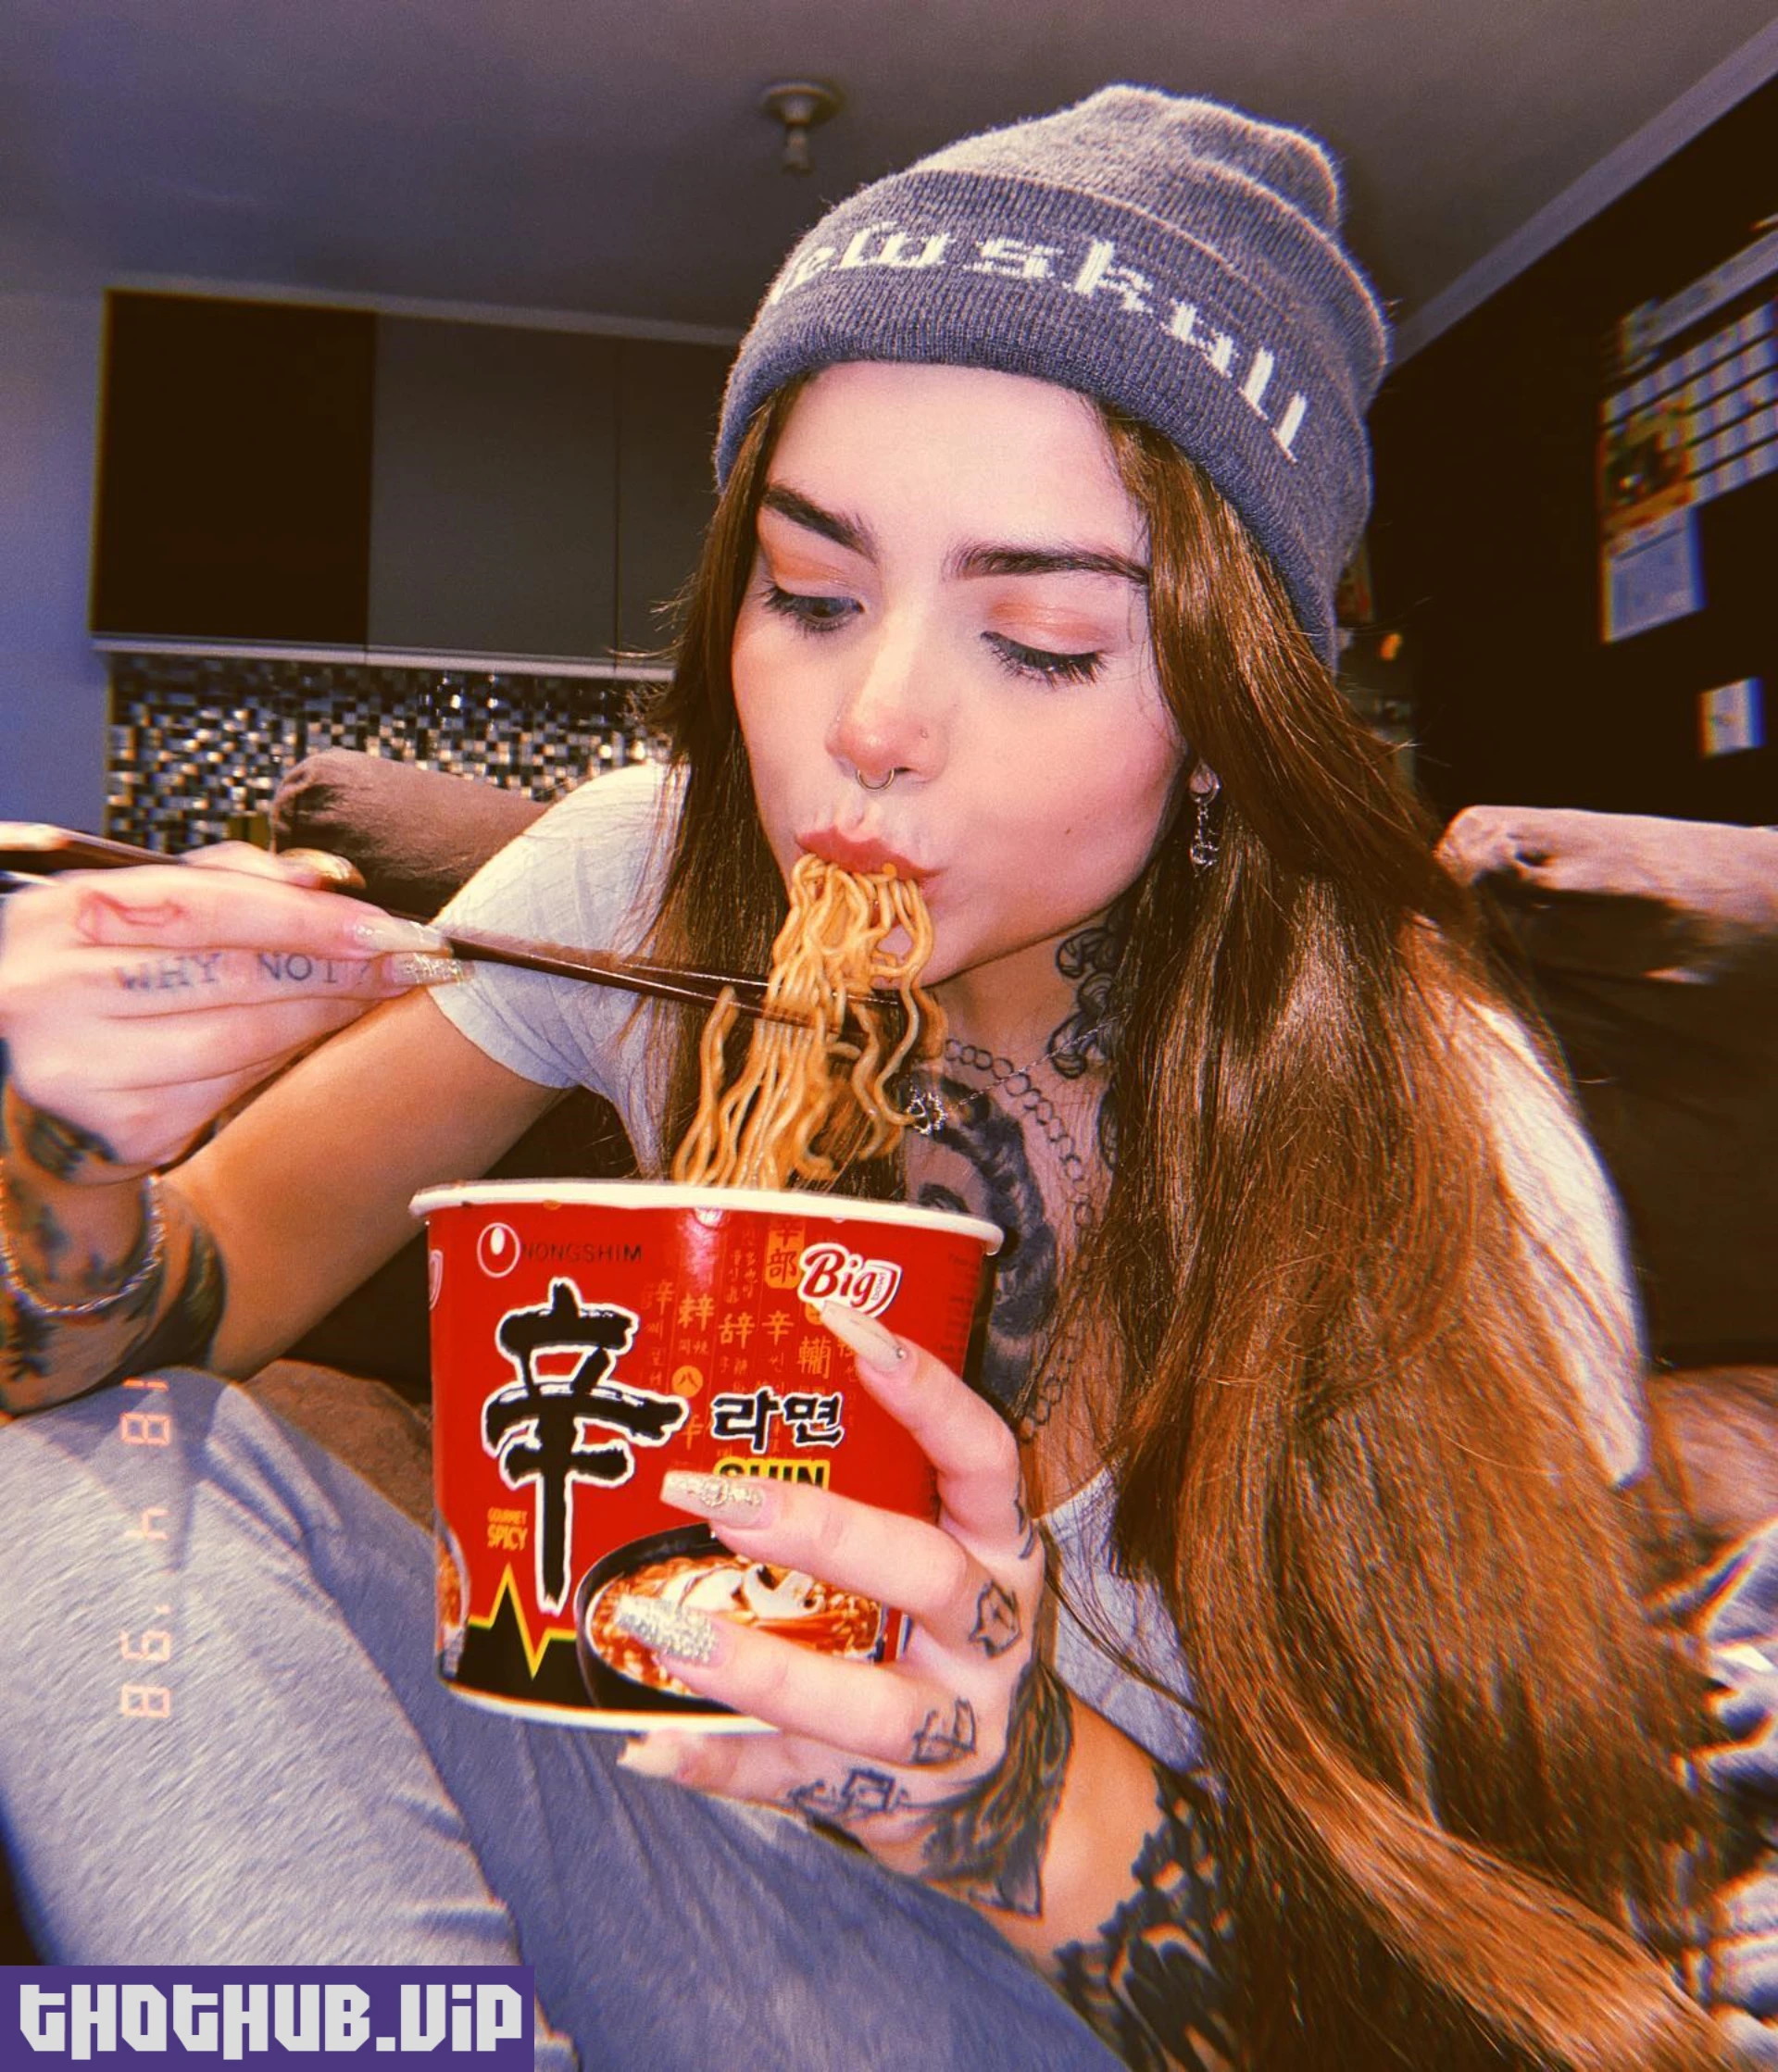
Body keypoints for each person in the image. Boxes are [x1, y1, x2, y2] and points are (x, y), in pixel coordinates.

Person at [0, 85, 1772, 2072]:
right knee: (73, 1488)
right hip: (717, 1841)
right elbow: (193, 1284)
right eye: (813, 594)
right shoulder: (651, 873)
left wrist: (1018, 1791)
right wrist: (60, 1150)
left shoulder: (1437, 1119)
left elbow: (1545, 2000)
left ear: (1230, 713)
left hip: (1092, 1996)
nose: (873, 717)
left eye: (1043, 640)